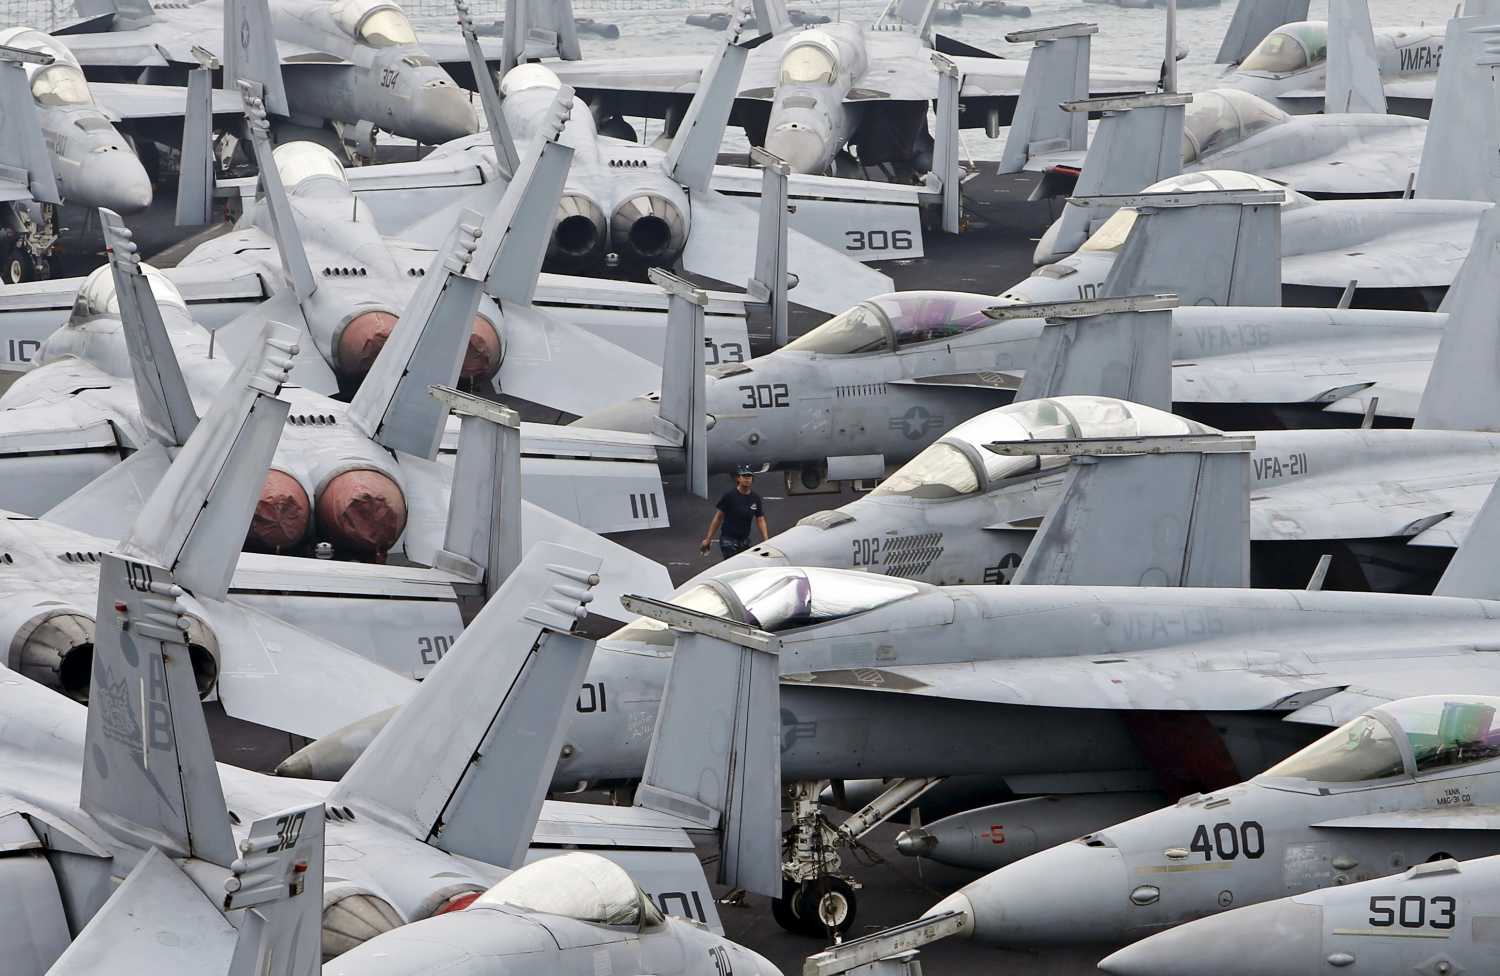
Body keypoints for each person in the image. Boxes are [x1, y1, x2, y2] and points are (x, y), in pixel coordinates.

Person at [700, 466, 770, 560]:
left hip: (744, 540)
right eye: (744, 476)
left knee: (746, 564)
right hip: (728, 539)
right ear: (738, 478)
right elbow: (718, 517)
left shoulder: (755, 498)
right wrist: (708, 539)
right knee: (733, 562)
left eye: (749, 476)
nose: (747, 479)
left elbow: (760, 519)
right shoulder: (730, 496)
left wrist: (766, 540)